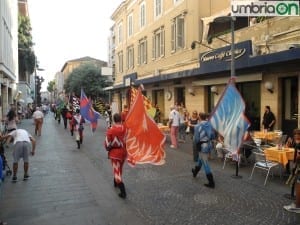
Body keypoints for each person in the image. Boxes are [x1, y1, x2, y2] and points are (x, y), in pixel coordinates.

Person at [104, 113, 127, 199]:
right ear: (121, 119)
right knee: (119, 168)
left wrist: (107, 148)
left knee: (116, 170)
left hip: (115, 153)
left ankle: (123, 191)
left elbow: (106, 143)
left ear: (114, 120)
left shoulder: (111, 130)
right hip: (123, 152)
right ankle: (116, 183)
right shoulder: (125, 128)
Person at [192, 112, 216, 188]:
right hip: (208, 144)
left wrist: (196, 144)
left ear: (199, 117)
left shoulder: (197, 126)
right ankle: (195, 172)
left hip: (202, 146)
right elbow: (213, 136)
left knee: (205, 163)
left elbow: (196, 139)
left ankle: (211, 183)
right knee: (200, 159)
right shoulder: (209, 124)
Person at [284, 128, 300, 213]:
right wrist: (288, 143)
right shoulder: (295, 142)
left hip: (299, 166)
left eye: (297, 134)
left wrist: (295, 164)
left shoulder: (299, 144)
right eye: (295, 134)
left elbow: (298, 156)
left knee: (298, 184)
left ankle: (297, 206)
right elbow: (287, 147)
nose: (296, 136)